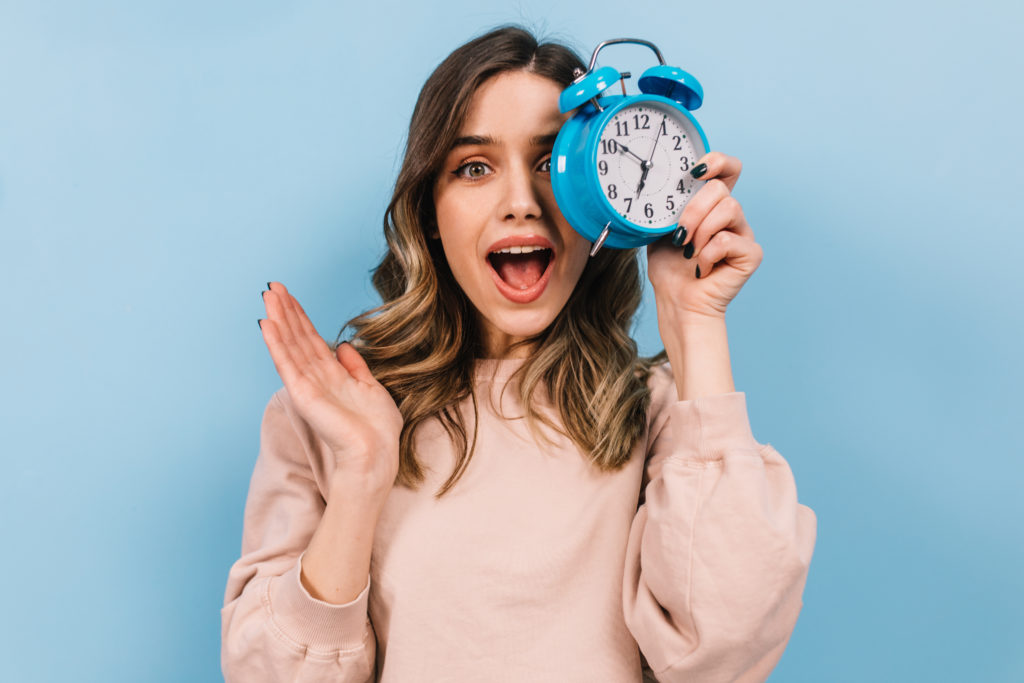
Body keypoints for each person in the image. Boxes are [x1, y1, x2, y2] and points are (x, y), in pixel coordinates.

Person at [221, 25, 817, 683]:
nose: (520, 204)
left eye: (548, 162)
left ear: (604, 197)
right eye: (474, 167)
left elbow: (724, 649)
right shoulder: (331, 416)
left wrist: (694, 321)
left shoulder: (663, 414)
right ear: (429, 212)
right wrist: (362, 475)